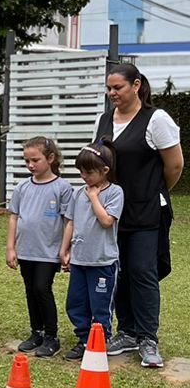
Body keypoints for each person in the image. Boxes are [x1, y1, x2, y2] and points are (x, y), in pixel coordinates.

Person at [95, 63, 183, 367]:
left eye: (117, 87)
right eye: (108, 88)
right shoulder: (105, 119)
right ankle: (127, 332)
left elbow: (174, 166)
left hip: (147, 211)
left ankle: (148, 339)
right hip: (113, 212)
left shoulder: (156, 119)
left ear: (135, 85)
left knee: (143, 272)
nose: (111, 93)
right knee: (116, 270)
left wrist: (152, 191)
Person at [6, 136, 74, 359]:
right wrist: (11, 247)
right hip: (26, 250)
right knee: (30, 290)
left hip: (48, 252)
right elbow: (14, 217)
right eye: (27, 161)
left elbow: (68, 221)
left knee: (42, 289)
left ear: (51, 158)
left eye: (35, 160)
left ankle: (52, 337)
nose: (30, 165)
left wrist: (65, 250)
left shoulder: (63, 188)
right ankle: (36, 332)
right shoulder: (23, 187)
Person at [60, 143, 124, 361]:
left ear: (105, 170)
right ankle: (84, 339)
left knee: (100, 305)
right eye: (81, 172)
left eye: (89, 172)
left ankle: (100, 341)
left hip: (103, 262)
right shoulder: (78, 194)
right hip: (80, 261)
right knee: (76, 303)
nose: (84, 177)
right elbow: (71, 222)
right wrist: (64, 249)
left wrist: (94, 197)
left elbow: (107, 221)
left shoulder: (115, 192)